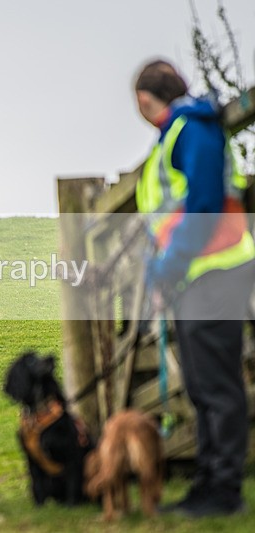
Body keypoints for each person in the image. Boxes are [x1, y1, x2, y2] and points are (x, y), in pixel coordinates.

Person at [134, 59, 255, 517]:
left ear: (146, 100)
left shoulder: (192, 132)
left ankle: (223, 493)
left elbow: (203, 206)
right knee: (203, 387)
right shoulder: (180, 135)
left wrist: (169, 264)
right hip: (195, 275)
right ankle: (208, 488)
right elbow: (169, 216)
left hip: (213, 270)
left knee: (217, 387)